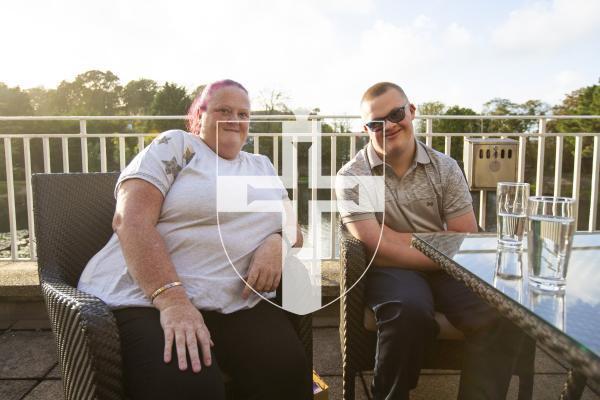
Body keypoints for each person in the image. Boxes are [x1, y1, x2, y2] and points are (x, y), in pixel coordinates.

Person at [77, 79, 312, 400]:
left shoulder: (261, 166)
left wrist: (277, 243)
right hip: (149, 298)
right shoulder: (177, 147)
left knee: (287, 371)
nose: (235, 120)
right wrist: (173, 302)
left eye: (243, 114)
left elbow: (294, 230)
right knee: (192, 386)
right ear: (199, 116)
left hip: (234, 300)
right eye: (224, 110)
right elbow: (130, 220)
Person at [336, 82, 526, 400]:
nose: (390, 125)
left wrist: (399, 239)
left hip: (446, 267)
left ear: (412, 111)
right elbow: (373, 244)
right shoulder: (353, 175)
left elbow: (465, 234)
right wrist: (437, 244)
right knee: (406, 311)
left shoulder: (445, 167)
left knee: (503, 311)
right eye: (376, 122)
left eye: (396, 113)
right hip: (391, 268)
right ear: (365, 129)